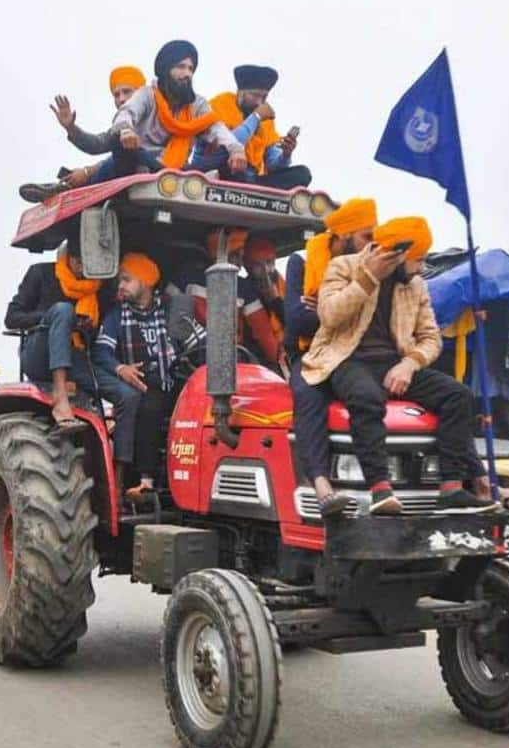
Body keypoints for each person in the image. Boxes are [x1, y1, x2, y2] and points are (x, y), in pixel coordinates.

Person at [299, 217, 487, 515]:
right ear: (396, 255)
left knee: (458, 395)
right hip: (345, 359)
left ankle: (451, 486)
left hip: (395, 363)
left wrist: (410, 364)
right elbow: (330, 316)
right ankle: (380, 489)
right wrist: (368, 278)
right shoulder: (344, 267)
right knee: (367, 398)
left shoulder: (415, 285)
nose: (421, 268)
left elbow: (430, 338)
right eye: (418, 260)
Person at [18, 40, 246, 202]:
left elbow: (217, 129)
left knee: (228, 153)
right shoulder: (148, 95)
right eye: (181, 67)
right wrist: (121, 130)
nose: (187, 73)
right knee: (120, 141)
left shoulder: (197, 105)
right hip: (139, 162)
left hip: (177, 171)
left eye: (191, 68)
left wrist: (236, 149)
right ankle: (65, 190)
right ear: (166, 70)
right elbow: (123, 119)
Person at [284, 199, 377, 516]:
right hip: (311, 353)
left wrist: (322, 307)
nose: (371, 245)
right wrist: (340, 309)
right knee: (308, 394)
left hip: (353, 354)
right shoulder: (301, 262)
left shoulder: (369, 267)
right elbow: (296, 320)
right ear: (345, 235)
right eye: (366, 237)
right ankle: (322, 485)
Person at [94, 253, 202, 503]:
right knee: (150, 403)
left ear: (145, 281)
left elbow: (199, 340)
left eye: (126, 280)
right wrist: (121, 369)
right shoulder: (116, 316)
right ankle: (145, 481)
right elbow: (101, 351)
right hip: (142, 386)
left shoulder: (169, 310)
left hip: (174, 380)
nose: (120, 286)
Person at [6, 242, 128, 434]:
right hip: (40, 353)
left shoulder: (100, 289)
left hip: (77, 357)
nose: (83, 268)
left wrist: (85, 326)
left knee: (128, 395)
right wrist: (52, 317)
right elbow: (11, 318)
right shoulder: (41, 273)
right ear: (70, 259)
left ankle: (118, 460)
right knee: (63, 310)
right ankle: (60, 398)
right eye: (80, 262)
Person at [21, 66, 148, 200]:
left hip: (156, 176)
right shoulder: (121, 124)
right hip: (124, 177)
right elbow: (98, 144)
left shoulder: (155, 116)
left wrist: (87, 172)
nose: (121, 99)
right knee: (118, 149)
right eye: (116, 95)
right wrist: (71, 128)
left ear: (140, 93)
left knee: (121, 151)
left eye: (126, 92)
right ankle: (70, 186)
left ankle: (72, 188)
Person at [166, 228, 282, 370]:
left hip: (233, 357)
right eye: (234, 256)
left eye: (241, 256)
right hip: (192, 356)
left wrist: (278, 364)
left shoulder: (243, 287)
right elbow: (164, 311)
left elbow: (263, 332)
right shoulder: (186, 277)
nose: (240, 263)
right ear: (217, 256)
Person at [199, 65, 311, 189]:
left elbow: (272, 165)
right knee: (233, 168)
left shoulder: (265, 119)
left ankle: (256, 193)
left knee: (303, 174)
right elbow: (227, 145)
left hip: (252, 179)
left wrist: (285, 154)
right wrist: (255, 117)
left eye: (264, 97)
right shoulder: (219, 104)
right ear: (240, 92)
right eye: (255, 95)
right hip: (222, 171)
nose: (259, 102)